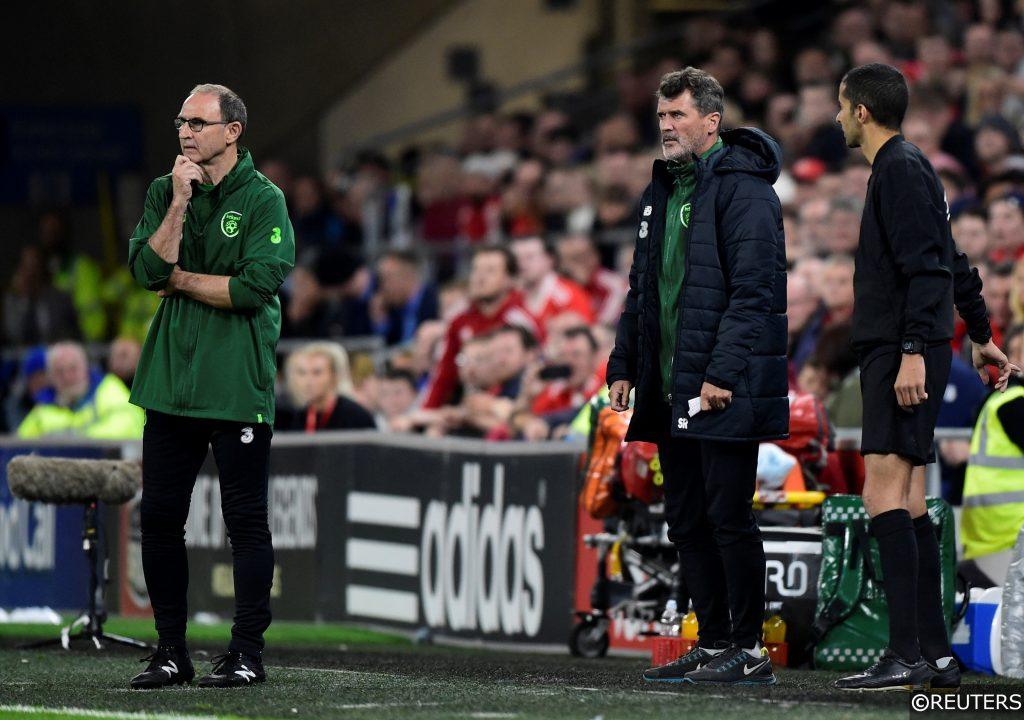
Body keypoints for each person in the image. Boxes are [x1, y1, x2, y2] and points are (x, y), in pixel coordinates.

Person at [832, 63, 1017, 692]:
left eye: (841, 106)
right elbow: (951, 258)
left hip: (900, 348)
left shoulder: (898, 169)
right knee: (908, 498)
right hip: (913, 344)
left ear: (861, 111)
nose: (836, 117)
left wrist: (912, 349)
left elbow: (928, 268)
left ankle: (905, 651)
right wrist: (984, 334)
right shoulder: (910, 168)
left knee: (879, 493)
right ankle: (933, 653)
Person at [608, 67, 788, 686]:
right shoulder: (660, 190)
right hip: (667, 382)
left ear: (711, 121)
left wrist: (723, 373)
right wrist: (624, 363)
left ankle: (750, 646)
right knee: (685, 518)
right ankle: (713, 643)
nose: (666, 127)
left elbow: (753, 290)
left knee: (727, 514)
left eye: (677, 115)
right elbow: (642, 285)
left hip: (718, 386)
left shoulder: (747, 189)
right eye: (661, 117)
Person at [126, 84, 295, 690]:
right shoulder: (162, 192)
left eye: (197, 122)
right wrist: (176, 203)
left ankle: (246, 651)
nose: (184, 132)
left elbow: (253, 288)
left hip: (235, 384)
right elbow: (147, 272)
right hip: (170, 383)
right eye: (179, 122)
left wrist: (181, 280)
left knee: (245, 522)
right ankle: (172, 650)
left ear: (233, 131)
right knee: (161, 520)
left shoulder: (264, 201)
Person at [421, 246, 540, 409]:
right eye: (476, 270)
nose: (480, 277)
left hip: (509, 406)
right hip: (466, 404)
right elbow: (444, 374)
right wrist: (426, 412)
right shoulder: (459, 319)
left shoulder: (521, 321)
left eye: (490, 271)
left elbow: (532, 373)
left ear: (510, 279)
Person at [961, 324, 1024, 587]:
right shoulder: (1014, 403)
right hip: (1010, 540)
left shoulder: (996, 401)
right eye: (1017, 352)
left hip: (990, 542)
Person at [16, 342, 143, 440]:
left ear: (86, 368)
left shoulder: (108, 388)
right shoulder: (43, 407)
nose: (67, 377)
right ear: (51, 378)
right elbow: (19, 444)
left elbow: (129, 425)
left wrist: (77, 442)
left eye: (73, 368)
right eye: (60, 371)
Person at [276, 342, 376, 432]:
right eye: (302, 373)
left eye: (317, 372)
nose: (308, 381)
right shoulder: (297, 418)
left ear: (334, 376)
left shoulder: (356, 416)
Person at [509, 235, 594, 329]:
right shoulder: (511, 296)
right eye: (517, 259)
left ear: (550, 259)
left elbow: (584, 336)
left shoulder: (567, 295)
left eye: (530, 257)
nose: (522, 264)